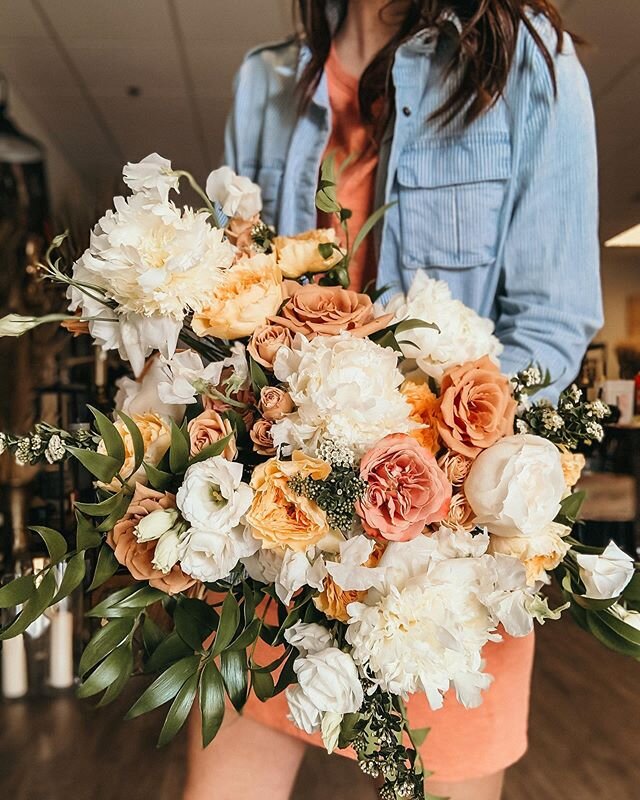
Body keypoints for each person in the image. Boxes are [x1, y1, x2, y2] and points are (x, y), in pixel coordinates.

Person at [185, 2, 602, 799]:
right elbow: (228, 303)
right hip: (278, 523)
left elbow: (550, 319)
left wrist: (429, 471)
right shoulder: (264, 82)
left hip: (443, 553)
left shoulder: (526, 63)